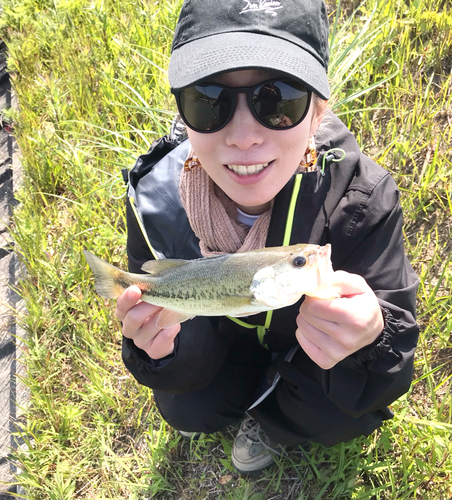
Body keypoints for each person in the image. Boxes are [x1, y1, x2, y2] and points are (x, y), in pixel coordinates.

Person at [116, 0, 419, 475]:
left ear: (318, 114)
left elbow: (395, 359)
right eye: (207, 99)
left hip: (307, 366)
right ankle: (239, 395)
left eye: (278, 99)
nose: (243, 136)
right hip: (221, 338)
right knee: (186, 408)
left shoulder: (362, 201)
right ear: (182, 114)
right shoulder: (156, 199)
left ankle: (272, 418)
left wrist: (373, 337)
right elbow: (154, 310)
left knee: (334, 415)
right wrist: (156, 348)